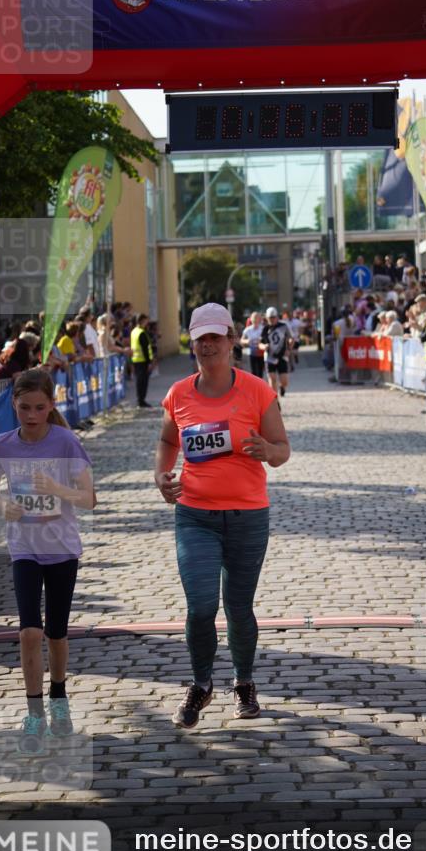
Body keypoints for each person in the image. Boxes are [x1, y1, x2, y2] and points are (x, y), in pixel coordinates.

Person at [155, 303, 290, 729]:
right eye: (201, 338)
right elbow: (166, 441)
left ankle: (244, 682)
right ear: (192, 343)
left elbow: (282, 449)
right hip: (195, 515)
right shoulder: (179, 394)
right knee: (200, 606)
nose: (208, 345)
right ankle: (201, 683)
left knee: (238, 607)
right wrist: (161, 476)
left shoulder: (256, 391)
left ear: (232, 340)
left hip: (249, 516)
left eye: (216, 337)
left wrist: (268, 452)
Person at [0, 368, 96, 754]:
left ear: (51, 406)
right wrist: (3, 506)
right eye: (24, 407)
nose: (31, 416)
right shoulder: (3, 445)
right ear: (13, 404)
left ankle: (59, 699)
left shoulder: (66, 442)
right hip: (24, 547)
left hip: (62, 548)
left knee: (57, 634)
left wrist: (57, 489)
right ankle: (34, 712)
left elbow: (89, 498)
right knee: (29, 631)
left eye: (39, 408)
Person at [260, 307, 293, 398]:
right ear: (267, 318)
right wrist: (264, 347)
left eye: (274, 317)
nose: (272, 319)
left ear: (277, 317)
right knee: (272, 378)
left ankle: (282, 387)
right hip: (269, 356)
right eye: (270, 317)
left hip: (282, 356)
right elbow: (260, 343)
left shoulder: (284, 326)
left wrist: (289, 348)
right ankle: (275, 399)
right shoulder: (265, 329)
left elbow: (291, 338)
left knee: (284, 381)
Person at [130, 313, 154, 408]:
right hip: (143, 361)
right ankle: (141, 400)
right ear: (142, 321)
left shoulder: (134, 331)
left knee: (139, 381)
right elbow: (145, 348)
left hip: (136, 360)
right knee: (143, 382)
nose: (147, 322)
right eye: (146, 320)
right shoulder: (141, 332)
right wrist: (149, 362)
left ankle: (140, 400)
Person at [241, 311, 265, 377]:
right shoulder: (248, 329)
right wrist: (247, 341)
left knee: (260, 372)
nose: (255, 319)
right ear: (251, 319)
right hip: (252, 352)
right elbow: (242, 340)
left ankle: (260, 386)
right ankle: (255, 386)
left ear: (260, 319)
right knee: (254, 372)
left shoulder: (263, 329)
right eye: (254, 318)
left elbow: (266, 340)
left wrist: (261, 342)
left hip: (261, 352)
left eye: (257, 317)